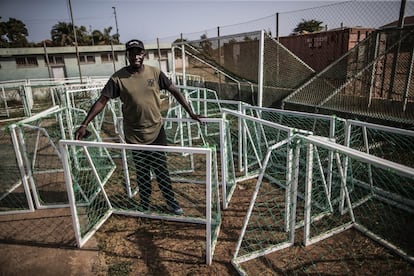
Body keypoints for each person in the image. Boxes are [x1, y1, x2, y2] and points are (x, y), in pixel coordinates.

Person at [75, 39, 202, 215]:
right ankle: (145, 205)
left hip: (156, 131)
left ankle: (171, 202)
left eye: (139, 52)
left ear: (144, 55)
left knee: (161, 169)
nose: (136, 56)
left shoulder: (155, 73)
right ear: (127, 55)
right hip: (134, 134)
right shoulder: (118, 78)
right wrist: (84, 123)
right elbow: (102, 100)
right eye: (132, 53)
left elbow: (175, 91)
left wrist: (191, 113)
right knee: (142, 172)